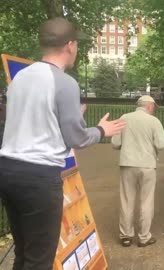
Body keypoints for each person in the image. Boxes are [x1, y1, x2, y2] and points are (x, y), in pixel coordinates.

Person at [0, 18, 125, 269]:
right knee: (40, 260)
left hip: (8, 170)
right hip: (38, 178)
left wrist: (74, 116)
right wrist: (102, 130)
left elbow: (36, 124)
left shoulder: (20, 79)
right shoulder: (65, 83)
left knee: (24, 253)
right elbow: (76, 138)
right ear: (69, 45)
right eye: (77, 44)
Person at [112, 96, 164, 248]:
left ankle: (126, 236)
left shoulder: (124, 118)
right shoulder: (153, 121)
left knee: (127, 200)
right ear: (149, 106)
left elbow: (115, 143)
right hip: (147, 165)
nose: (154, 109)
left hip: (127, 163)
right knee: (146, 201)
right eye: (154, 106)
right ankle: (143, 237)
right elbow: (161, 144)